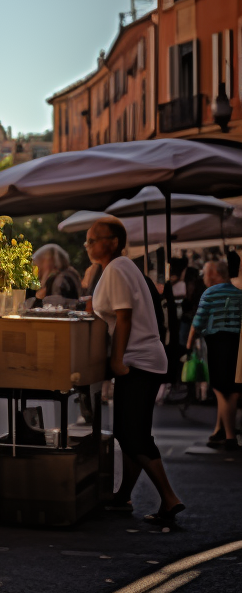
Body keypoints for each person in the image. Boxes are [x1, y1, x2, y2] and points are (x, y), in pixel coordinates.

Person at [87, 218, 185, 525]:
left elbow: (124, 316)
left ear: (113, 241)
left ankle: (169, 499)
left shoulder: (116, 268)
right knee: (133, 432)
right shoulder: (123, 267)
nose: (88, 245)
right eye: (87, 240)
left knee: (130, 433)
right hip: (146, 359)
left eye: (94, 239)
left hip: (137, 361)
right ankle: (123, 495)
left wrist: (117, 361)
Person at [187, 259, 242, 449]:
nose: (203, 277)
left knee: (220, 389)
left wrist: (189, 343)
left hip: (218, 343)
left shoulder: (209, 292)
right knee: (232, 389)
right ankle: (219, 431)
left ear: (213, 274)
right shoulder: (238, 293)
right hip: (237, 343)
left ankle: (230, 437)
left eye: (205, 273)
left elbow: (199, 320)